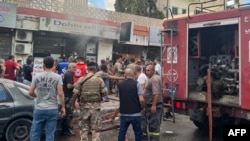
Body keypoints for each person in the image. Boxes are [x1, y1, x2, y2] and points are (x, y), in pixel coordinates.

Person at [29, 56, 66, 141]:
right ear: (53, 64)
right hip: (52, 108)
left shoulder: (36, 76)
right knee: (50, 133)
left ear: (43, 65)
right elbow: (60, 94)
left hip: (39, 108)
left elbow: (30, 92)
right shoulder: (58, 77)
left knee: (35, 133)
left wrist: (37, 96)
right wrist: (63, 107)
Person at [72, 62, 107, 141]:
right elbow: (104, 93)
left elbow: (75, 94)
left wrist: (73, 105)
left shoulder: (81, 79)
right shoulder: (99, 79)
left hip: (84, 107)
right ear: (95, 70)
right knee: (96, 129)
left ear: (87, 69)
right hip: (96, 107)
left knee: (84, 128)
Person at [111, 68, 145, 141]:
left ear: (125, 75)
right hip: (136, 113)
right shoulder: (137, 84)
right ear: (133, 75)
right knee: (138, 133)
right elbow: (141, 99)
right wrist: (142, 106)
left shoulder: (120, 85)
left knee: (122, 132)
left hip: (124, 113)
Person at [142, 64, 163, 141]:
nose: (146, 72)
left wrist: (154, 105)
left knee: (154, 127)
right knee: (151, 125)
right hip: (149, 105)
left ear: (153, 71)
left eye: (148, 70)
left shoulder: (154, 79)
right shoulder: (150, 78)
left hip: (154, 106)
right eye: (146, 70)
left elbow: (156, 94)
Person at [61, 62, 76, 136]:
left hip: (65, 95)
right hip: (67, 96)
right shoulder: (69, 75)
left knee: (66, 114)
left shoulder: (66, 74)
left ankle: (64, 128)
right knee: (69, 114)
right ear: (69, 68)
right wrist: (75, 84)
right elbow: (69, 86)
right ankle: (66, 130)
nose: (75, 69)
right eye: (74, 67)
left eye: (75, 67)